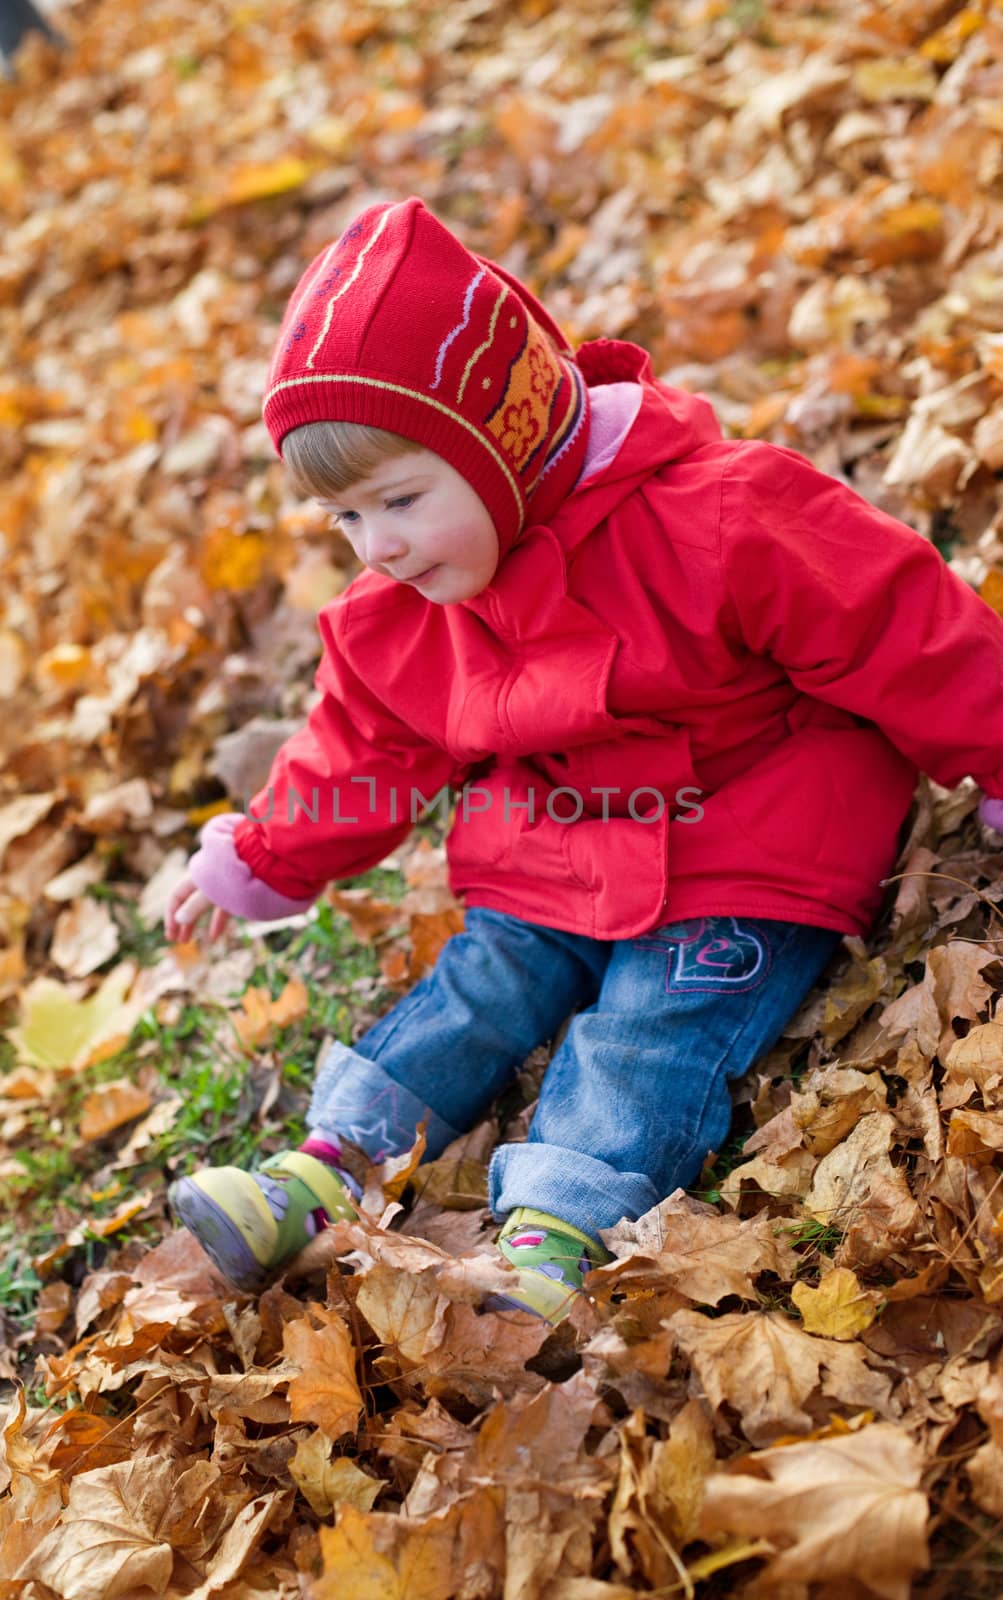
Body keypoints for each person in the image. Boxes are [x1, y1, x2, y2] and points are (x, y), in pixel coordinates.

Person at [164, 196, 1003, 1323]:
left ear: (502, 444)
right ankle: (320, 1172)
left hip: (739, 841)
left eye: (400, 500)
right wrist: (258, 855)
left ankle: (552, 1230)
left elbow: (894, 626)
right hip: (553, 850)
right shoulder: (410, 605)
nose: (380, 546)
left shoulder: (717, 520)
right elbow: (360, 743)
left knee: (652, 1024)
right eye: (344, 519)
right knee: (479, 984)